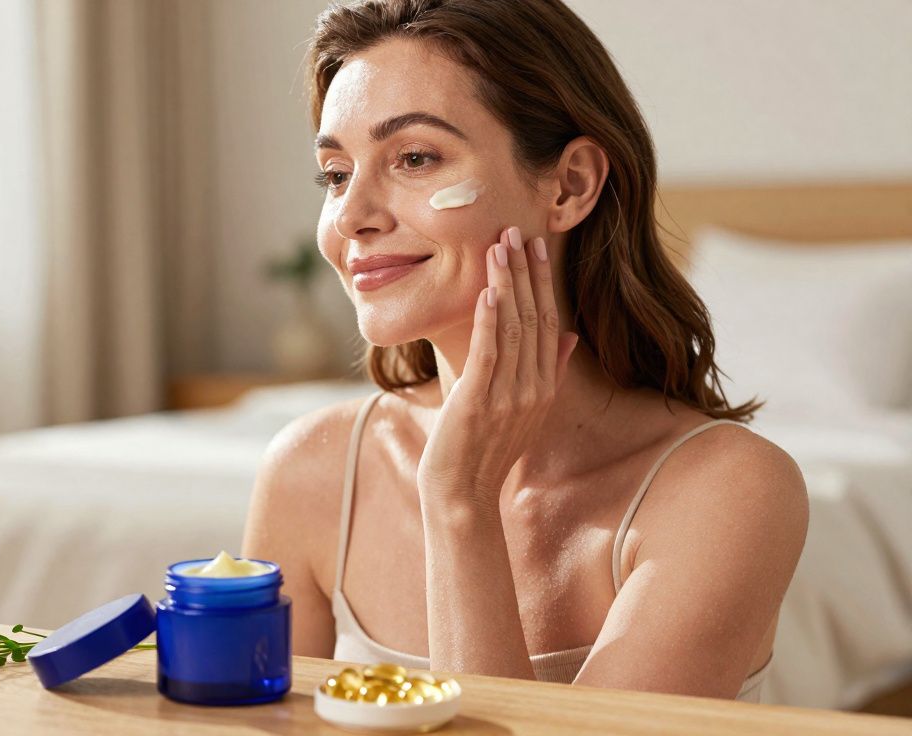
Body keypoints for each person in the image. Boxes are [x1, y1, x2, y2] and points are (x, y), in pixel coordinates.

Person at [241, 0, 807, 703]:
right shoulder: (312, 471)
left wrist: (459, 500)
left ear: (569, 186)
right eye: (334, 173)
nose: (351, 217)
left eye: (415, 158)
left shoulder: (727, 492)